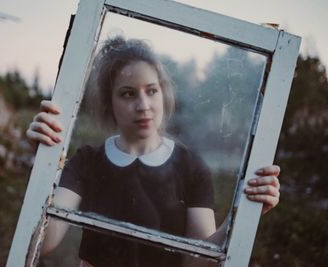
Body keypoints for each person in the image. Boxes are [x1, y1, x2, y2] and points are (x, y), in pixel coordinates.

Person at [26, 36, 280, 267]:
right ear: (109, 101)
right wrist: (44, 165)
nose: (143, 105)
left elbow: (197, 262)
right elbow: (43, 242)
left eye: (151, 90)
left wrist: (243, 213)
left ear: (163, 93)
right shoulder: (87, 162)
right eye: (127, 94)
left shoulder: (191, 167)